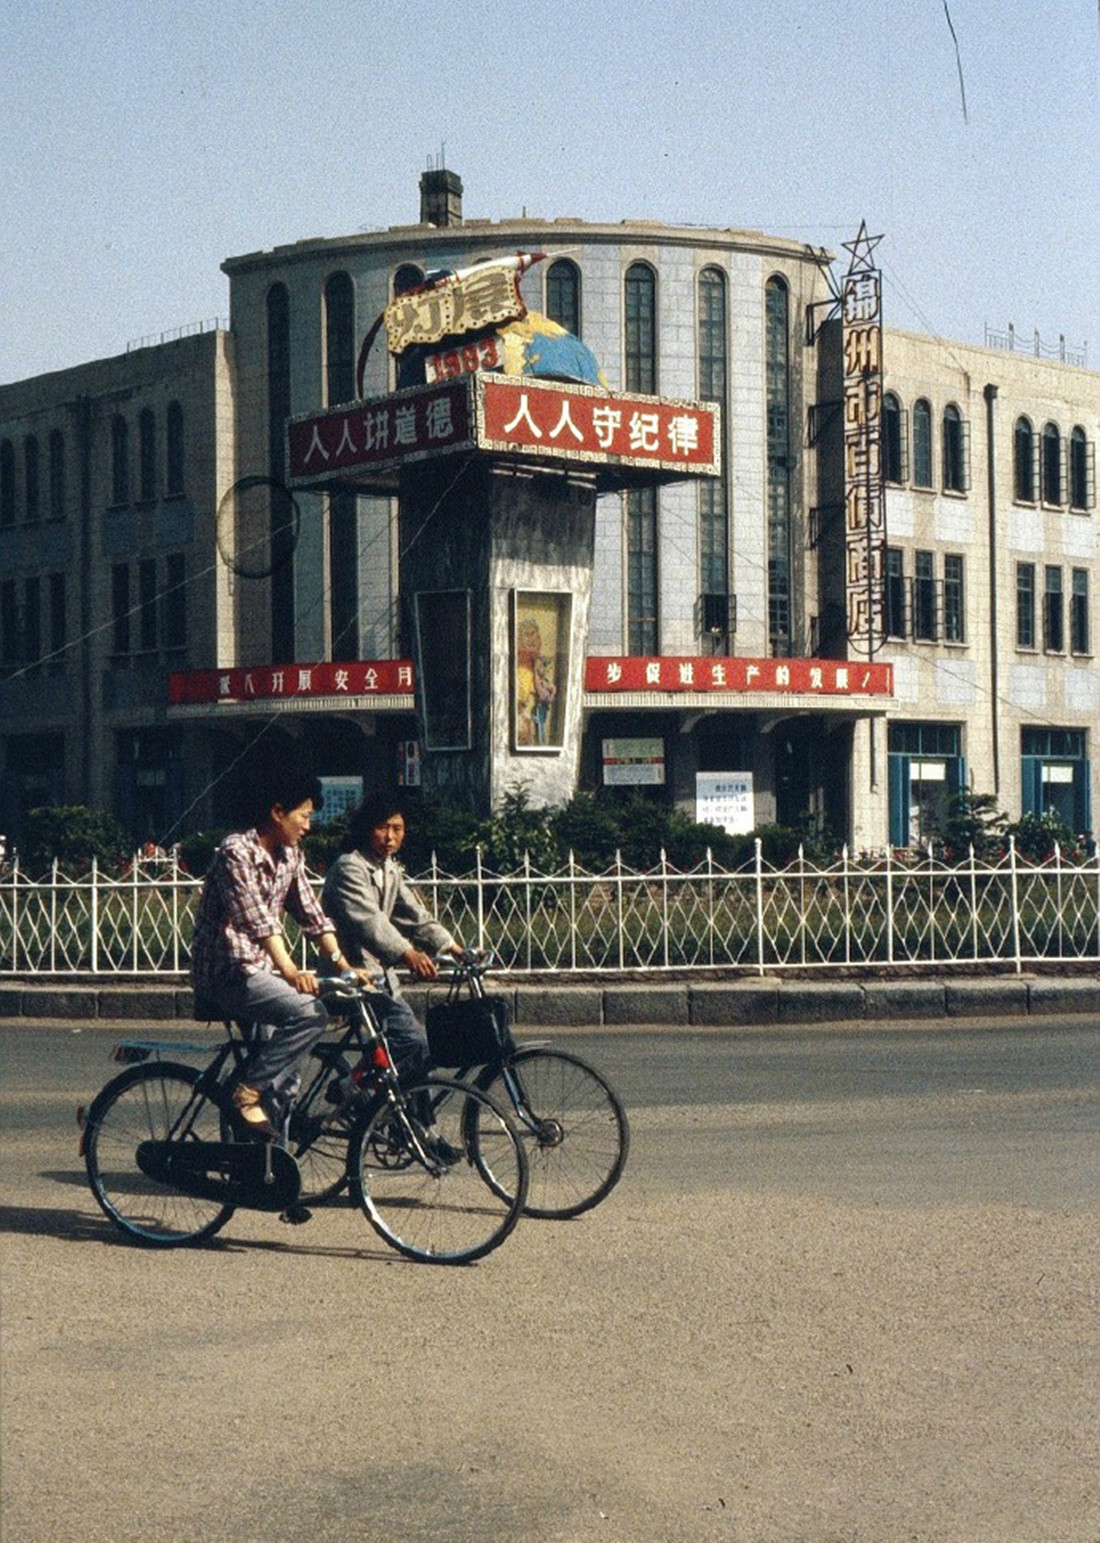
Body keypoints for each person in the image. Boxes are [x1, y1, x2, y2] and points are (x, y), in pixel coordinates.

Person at [190, 765, 354, 1135]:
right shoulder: (237, 851)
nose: (308, 826)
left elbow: (311, 913)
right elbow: (257, 919)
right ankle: (245, 1092)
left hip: (259, 972)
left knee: (283, 1080)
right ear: (277, 812)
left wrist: (343, 964)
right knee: (310, 1014)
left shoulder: (289, 856)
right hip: (226, 971)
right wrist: (291, 971)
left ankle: (269, 1172)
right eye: (304, 816)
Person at [321, 792, 465, 1098]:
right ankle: (351, 1087)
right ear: (366, 829)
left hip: (381, 979)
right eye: (382, 827)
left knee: (418, 1060)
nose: (390, 837)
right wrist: (407, 953)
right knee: (414, 1044)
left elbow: (414, 914)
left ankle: (426, 1136)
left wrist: (454, 948)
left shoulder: (389, 869)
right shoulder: (350, 867)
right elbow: (370, 922)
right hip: (353, 978)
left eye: (397, 829)